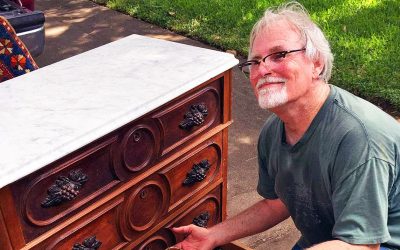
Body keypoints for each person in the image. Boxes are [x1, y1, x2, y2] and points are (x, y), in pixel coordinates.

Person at [172, 1, 400, 250]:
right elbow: (279, 202)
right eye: (255, 62)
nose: (264, 69)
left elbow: (362, 245)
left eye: (279, 54)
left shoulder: (358, 138)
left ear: (317, 64)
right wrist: (214, 235)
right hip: (330, 239)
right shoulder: (273, 132)